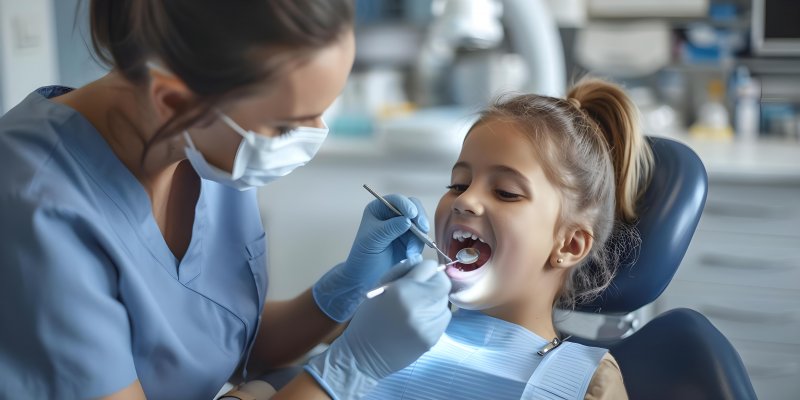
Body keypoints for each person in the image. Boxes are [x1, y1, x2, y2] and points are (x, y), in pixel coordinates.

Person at [0, 1, 451, 399]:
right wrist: (348, 369)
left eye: (322, 110)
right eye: (287, 127)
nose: (314, 135)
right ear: (173, 102)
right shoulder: (35, 208)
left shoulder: (203, 144)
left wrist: (342, 291)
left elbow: (223, 343)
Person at [365, 78, 653, 399]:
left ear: (569, 245)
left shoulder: (586, 384)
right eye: (458, 185)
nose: (464, 200)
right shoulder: (385, 331)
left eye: (505, 192)